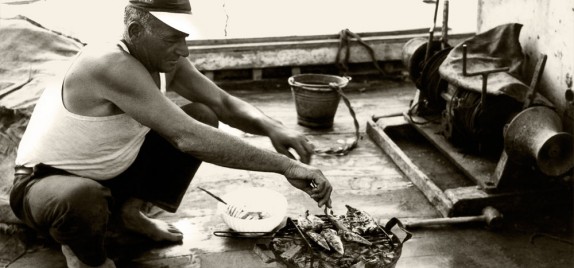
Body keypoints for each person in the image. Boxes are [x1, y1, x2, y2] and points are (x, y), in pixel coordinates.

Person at [9, 0, 333, 267]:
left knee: (202, 113)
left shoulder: (162, 59)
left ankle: (129, 213)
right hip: (45, 184)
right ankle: (87, 257)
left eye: (185, 37)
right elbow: (186, 137)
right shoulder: (107, 63)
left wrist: (274, 129)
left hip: (111, 173)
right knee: (80, 197)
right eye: (172, 39)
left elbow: (222, 102)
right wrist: (286, 165)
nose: (184, 51)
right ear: (136, 31)